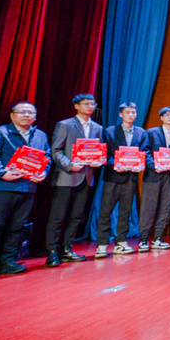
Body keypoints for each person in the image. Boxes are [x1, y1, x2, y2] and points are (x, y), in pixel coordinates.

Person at [0, 102, 50, 280]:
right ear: (12, 115)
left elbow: (46, 156)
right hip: (0, 187)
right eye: (22, 112)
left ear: (35, 117)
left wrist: (43, 172)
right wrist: (3, 173)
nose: (26, 115)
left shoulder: (40, 135)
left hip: (27, 188)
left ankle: (8, 261)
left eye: (30, 112)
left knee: (17, 227)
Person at [46, 93, 103, 267]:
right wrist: (70, 165)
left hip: (86, 177)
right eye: (86, 103)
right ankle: (52, 251)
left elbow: (98, 152)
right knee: (58, 216)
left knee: (76, 216)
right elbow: (56, 151)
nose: (90, 106)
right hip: (66, 177)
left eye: (93, 104)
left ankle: (66, 248)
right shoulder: (65, 125)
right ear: (76, 106)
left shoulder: (97, 128)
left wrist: (98, 161)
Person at [95, 102, 149, 258]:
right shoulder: (110, 131)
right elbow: (104, 154)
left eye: (133, 112)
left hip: (130, 178)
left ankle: (121, 242)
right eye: (127, 112)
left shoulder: (141, 132)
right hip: (112, 177)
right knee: (105, 212)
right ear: (121, 114)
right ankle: (102, 245)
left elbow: (144, 153)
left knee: (125, 212)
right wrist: (116, 164)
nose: (131, 115)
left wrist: (140, 165)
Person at [141, 106, 170, 251]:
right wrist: (154, 166)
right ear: (161, 117)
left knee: (166, 207)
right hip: (153, 175)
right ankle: (144, 238)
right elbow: (145, 151)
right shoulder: (151, 132)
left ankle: (158, 237)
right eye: (167, 115)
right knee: (148, 206)